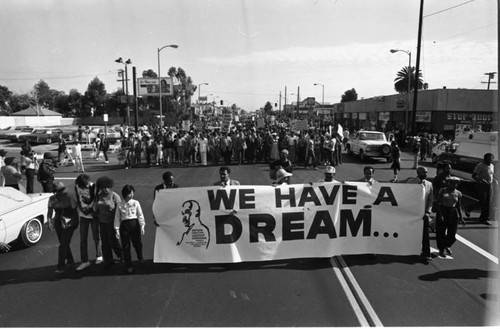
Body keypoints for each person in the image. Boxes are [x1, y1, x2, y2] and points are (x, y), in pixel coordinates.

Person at [47, 181, 79, 273]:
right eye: (57, 191)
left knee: (63, 244)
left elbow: (74, 210)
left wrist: (75, 222)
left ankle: (61, 265)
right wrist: (49, 221)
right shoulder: (52, 198)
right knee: (63, 242)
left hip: (70, 220)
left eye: (61, 190)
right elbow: (50, 211)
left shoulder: (70, 196)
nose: (59, 193)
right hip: (58, 221)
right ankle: (70, 260)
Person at [114, 185, 145, 273]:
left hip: (134, 224)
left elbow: (140, 214)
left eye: (132, 193)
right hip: (124, 225)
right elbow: (117, 217)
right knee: (126, 246)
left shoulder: (136, 203)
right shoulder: (120, 204)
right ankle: (129, 264)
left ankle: (140, 257)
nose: (131, 195)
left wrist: (142, 225)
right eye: (129, 193)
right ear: (125, 194)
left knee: (137, 243)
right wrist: (116, 229)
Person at [74, 174, 102, 271]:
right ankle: (85, 261)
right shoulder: (77, 186)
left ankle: (99, 255)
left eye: (87, 184)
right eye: (84, 185)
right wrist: (81, 209)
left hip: (93, 214)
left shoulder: (93, 186)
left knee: (96, 236)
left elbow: (96, 199)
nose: (86, 186)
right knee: (83, 239)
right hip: (83, 215)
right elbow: (78, 198)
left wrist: (92, 210)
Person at [94, 176, 123, 267]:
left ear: (110, 187)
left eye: (107, 187)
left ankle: (121, 255)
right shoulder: (98, 196)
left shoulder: (115, 196)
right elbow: (96, 208)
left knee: (113, 240)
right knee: (105, 242)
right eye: (103, 188)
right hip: (102, 222)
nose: (105, 190)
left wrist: (117, 224)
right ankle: (108, 260)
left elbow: (120, 210)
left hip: (112, 222)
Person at [407, 167, 434, 262]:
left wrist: (428, 212)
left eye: (426, 172)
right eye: (423, 172)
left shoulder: (429, 184)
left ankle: (426, 253)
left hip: (423, 214)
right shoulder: (410, 182)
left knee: (425, 235)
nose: (426, 173)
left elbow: (430, 200)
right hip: (412, 213)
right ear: (418, 172)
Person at [435, 176, 465, 258]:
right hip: (443, 210)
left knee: (452, 233)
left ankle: (447, 245)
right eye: (451, 183)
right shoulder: (443, 190)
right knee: (440, 232)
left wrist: (461, 217)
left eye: (455, 183)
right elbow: (437, 203)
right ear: (448, 183)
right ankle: (441, 249)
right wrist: (440, 214)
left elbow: (459, 206)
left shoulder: (458, 193)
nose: (453, 185)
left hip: (453, 212)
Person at [467, 153, 495, 225]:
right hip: (481, 185)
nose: (490, 160)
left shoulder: (492, 166)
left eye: (491, 159)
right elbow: (473, 175)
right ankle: (469, 208)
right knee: (483, 201)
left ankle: (483, 218)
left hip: (489, 185)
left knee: (488, 203)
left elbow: (491, 175)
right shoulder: (480, 165)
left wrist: (494, 180)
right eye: (488, 158)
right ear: (484, 158)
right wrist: (480, 181)